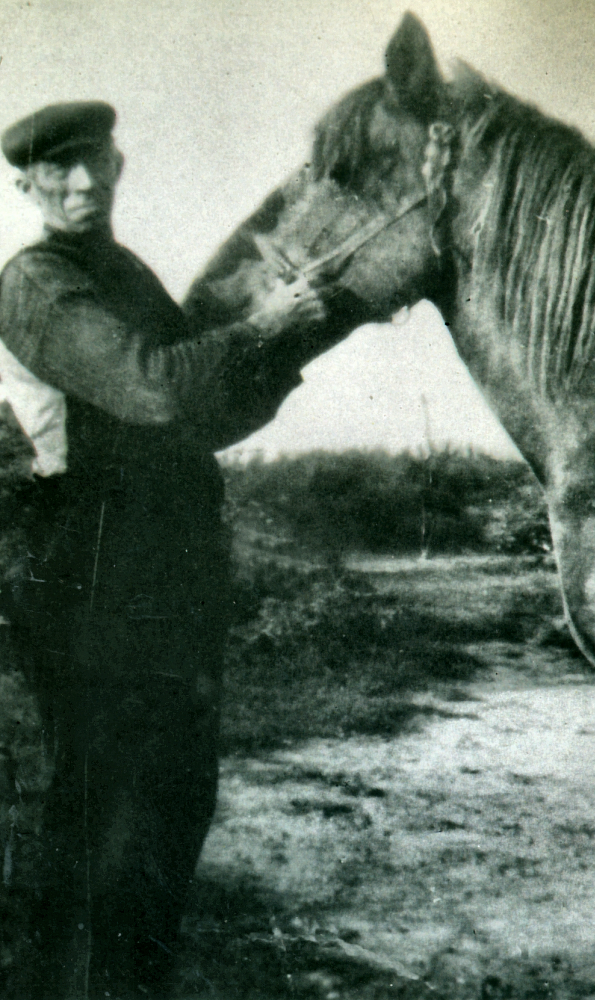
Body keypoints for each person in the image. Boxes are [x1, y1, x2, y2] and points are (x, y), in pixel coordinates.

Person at [0, 101, 325, 998]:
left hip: (162, 571)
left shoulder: (125, 274)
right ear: (25, 185)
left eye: (94, 163)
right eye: (57, 171)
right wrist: (263, 328)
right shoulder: (36, 283)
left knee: (169, 808)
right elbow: (155, 393)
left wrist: (296, 334)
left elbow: (210, 413)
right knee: (117, 817)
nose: (81, 183)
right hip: (85, 570)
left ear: (118, 165)